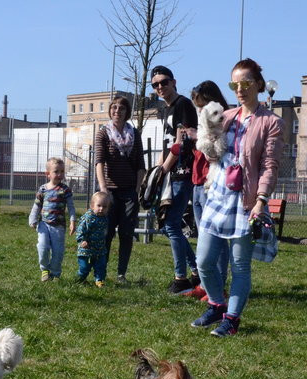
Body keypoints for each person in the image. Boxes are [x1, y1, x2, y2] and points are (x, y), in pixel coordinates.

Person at [191, 58, 284, 337]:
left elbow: (270, 164)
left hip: (245, 200)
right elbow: (212, 151)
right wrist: (206, 140)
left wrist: (261, 200)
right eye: (234, 85)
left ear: (258, 84)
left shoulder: (271, 122)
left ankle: (231, 320)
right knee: (204, 261)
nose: (240, 90)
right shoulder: (227, 116)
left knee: (239, 265)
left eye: (245, 83)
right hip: (218, 194)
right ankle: (216, 305)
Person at [160, 81, 231, 299]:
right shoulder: (201, 122)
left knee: (217, 238)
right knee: (204, 237)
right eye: (197, 106)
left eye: (202, 105)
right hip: (198, 182)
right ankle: (205, 283)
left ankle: (218, 285)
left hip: (213, 183)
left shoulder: (222, 120)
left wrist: (197, 136)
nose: (199, 111)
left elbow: (217, 152)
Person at [150, 65, 199, 294]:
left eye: (164, 82)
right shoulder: (165, 108)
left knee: (171, 223)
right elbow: (167, 143)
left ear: (174, 82)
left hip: (182, 171)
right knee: (169, 224)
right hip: (170, 172)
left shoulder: (183, 105)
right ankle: (196, 272)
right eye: (155, 84)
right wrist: (157, 171)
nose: (160, 87)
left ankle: (181, 279)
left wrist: (164, 169)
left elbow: (182, 142)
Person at [94, 96, 146, 284]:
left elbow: (141, 164)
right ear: (110, 110)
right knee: (106, 233)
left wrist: (137, 190)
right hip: (110, 192)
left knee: (126, 233)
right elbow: (99, 162)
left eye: (121, 108)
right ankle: (101, 273)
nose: (117, 111)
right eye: (114, 107)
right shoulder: (103, 133)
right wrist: (103, 190)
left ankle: (121, 274)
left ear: (127, 112)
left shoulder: (135, 134)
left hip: (130, 192)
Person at [28, 157, 76, 281]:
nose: (60, 174)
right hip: (43, 225)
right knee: (42, 247)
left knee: (58, 252)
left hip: (58, 227)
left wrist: (72, 221)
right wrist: (32, 219)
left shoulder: (65, 190)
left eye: (62, 171)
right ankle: (44, 269)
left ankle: (55, 274)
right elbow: (37, 205)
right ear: (48, 174)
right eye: (56, 171)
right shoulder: (43, 189)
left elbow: (71, 207)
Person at [75, 191, 110, 287]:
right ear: (92, 206)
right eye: (99, 206)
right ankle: (80, 279)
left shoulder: (105, 218)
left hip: (99, 249)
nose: (101, 209)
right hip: (86, 249)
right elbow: (80, 230)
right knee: (84, 267)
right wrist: (82, 240)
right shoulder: (88, 218)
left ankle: (99, 280)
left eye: (105, 207)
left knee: (101, 266)